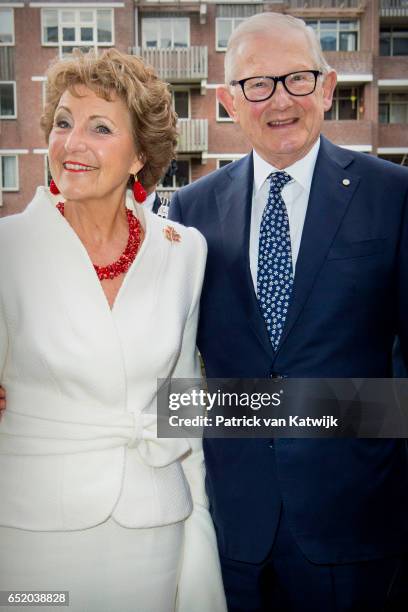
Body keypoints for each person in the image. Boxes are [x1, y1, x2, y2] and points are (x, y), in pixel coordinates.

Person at [169, 12, 408, 612]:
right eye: (257, 84)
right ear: (229, 101)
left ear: (327, 88)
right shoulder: (191, 211)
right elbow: (166, 359)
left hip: (355, 525)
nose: (279, 100)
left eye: (297, 79)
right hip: (233, 528)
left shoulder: (393, 196)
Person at [0, 49, 226, 612]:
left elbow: (185, 403)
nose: (71, 144)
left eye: (99, 128)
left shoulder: (185, 252)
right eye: (62, 123)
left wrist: (197, 527)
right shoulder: (8, 249)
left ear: (139, 156)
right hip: (30, 528)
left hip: (153, 525)